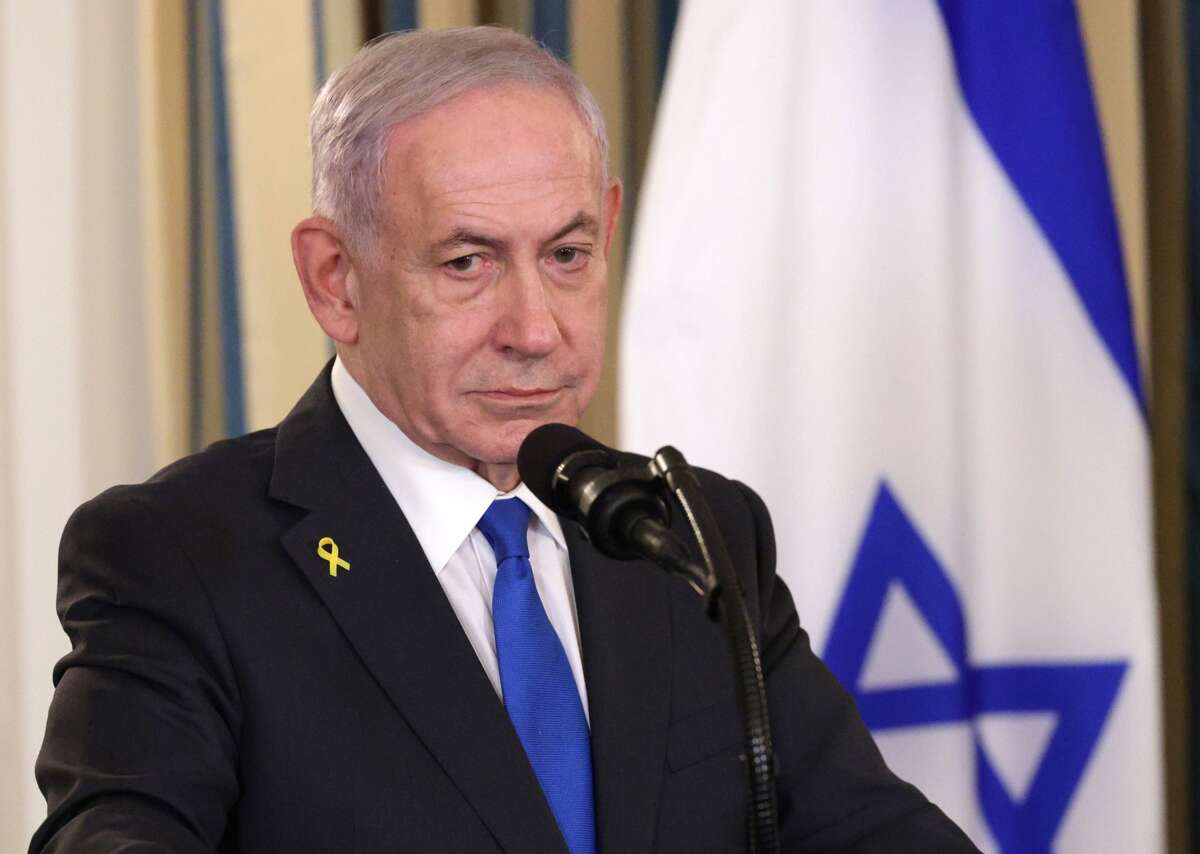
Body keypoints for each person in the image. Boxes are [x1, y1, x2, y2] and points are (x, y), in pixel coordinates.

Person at [31, 26, 977, 853]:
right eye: (468, 262)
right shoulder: (181, 556)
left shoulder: (690, 534)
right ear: (335, 280)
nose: (535, 329)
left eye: (566, 256)